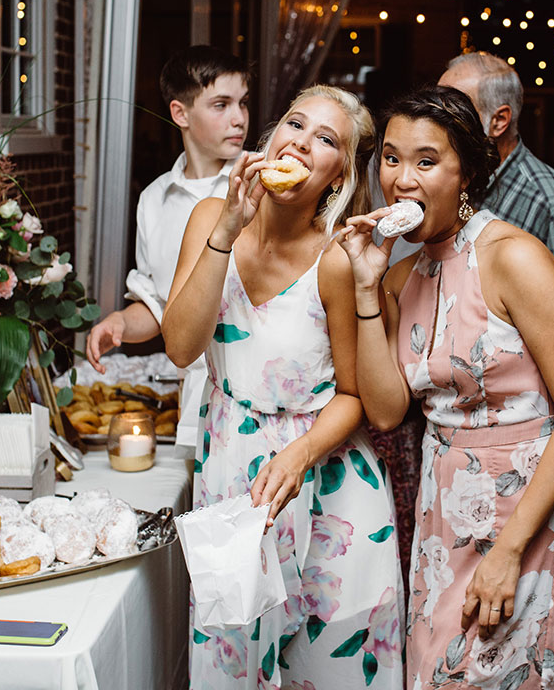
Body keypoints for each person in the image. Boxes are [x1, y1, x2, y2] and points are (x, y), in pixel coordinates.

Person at [340, 85, 554, 689]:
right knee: (435, 672)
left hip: (524, 507)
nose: (402, 179)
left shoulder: (514, 257)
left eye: (427, 161)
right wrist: (363, 287)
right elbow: (385, 411)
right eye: (391, 157)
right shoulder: (399, 273)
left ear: (467, 174)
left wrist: (510, 550)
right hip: (442, 505)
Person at [163, 85, 403, 689]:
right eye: (295, 124)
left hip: (325, 488)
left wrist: (299, 454)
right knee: (231, 662)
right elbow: (180, 347)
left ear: (338, 178)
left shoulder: (338, 260)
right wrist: (227, 228)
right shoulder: (208, 219)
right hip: (232, 479)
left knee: (325, 670)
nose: (300, 140)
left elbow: (354, 394)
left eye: (326, 140)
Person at [86, 46, 249, 457]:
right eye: (221, 104)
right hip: (194, 408)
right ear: (180, 114)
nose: (239, 118)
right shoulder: (154, 200)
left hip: (258, 401)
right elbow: (162, 309)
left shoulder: (261, 184)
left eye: (242, 103)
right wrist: (122, 322)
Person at [438, 52, 554, 342]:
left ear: (498, 120)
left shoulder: (550, 200)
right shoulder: (450, 178)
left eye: (453, 108)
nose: (435, 117)